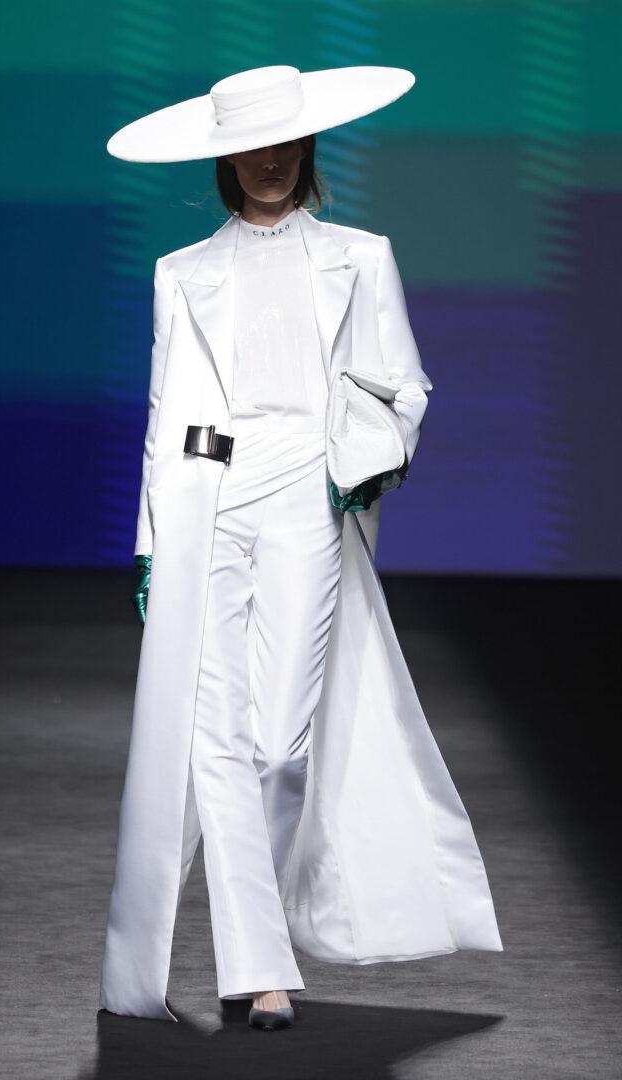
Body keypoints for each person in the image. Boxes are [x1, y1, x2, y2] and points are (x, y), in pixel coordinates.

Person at [99, 65, 503, 1033]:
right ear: (225, 157)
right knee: (214, 734)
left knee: (278, 744)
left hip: (307, 497)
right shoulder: (181, 273)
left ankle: (262, 939)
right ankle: (260, 970)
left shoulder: (361, 257)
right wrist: (150, 541)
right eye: (251, 146)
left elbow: (405, 385)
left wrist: (365, 466)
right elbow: (164, 414)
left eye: (284, 143)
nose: (270, 160)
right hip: (207, 497)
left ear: (307, 146)